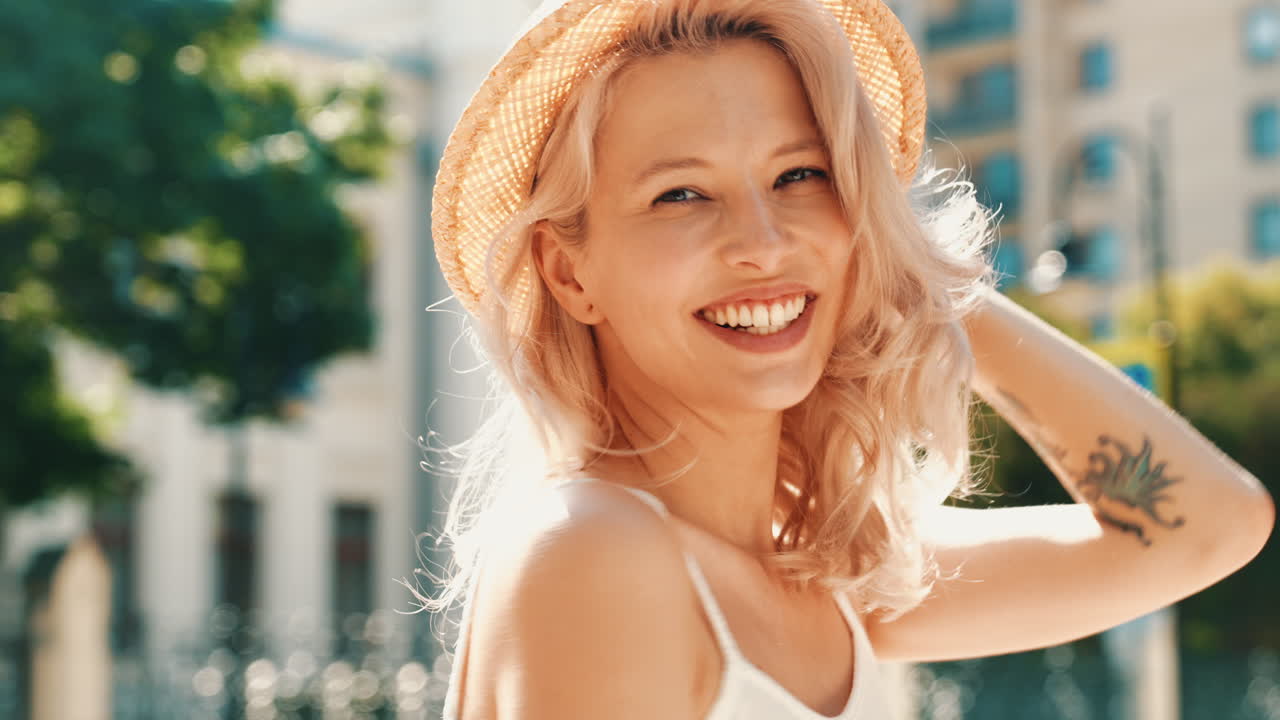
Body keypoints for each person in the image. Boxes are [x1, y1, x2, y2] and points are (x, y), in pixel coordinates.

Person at [414, 0, 1276, 718]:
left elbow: (1209, 525)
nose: (763, 241)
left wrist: (924, 284)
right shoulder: (596, 551)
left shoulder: (831, 577)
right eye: (681, 194)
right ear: (570, 273)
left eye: (802, 176)